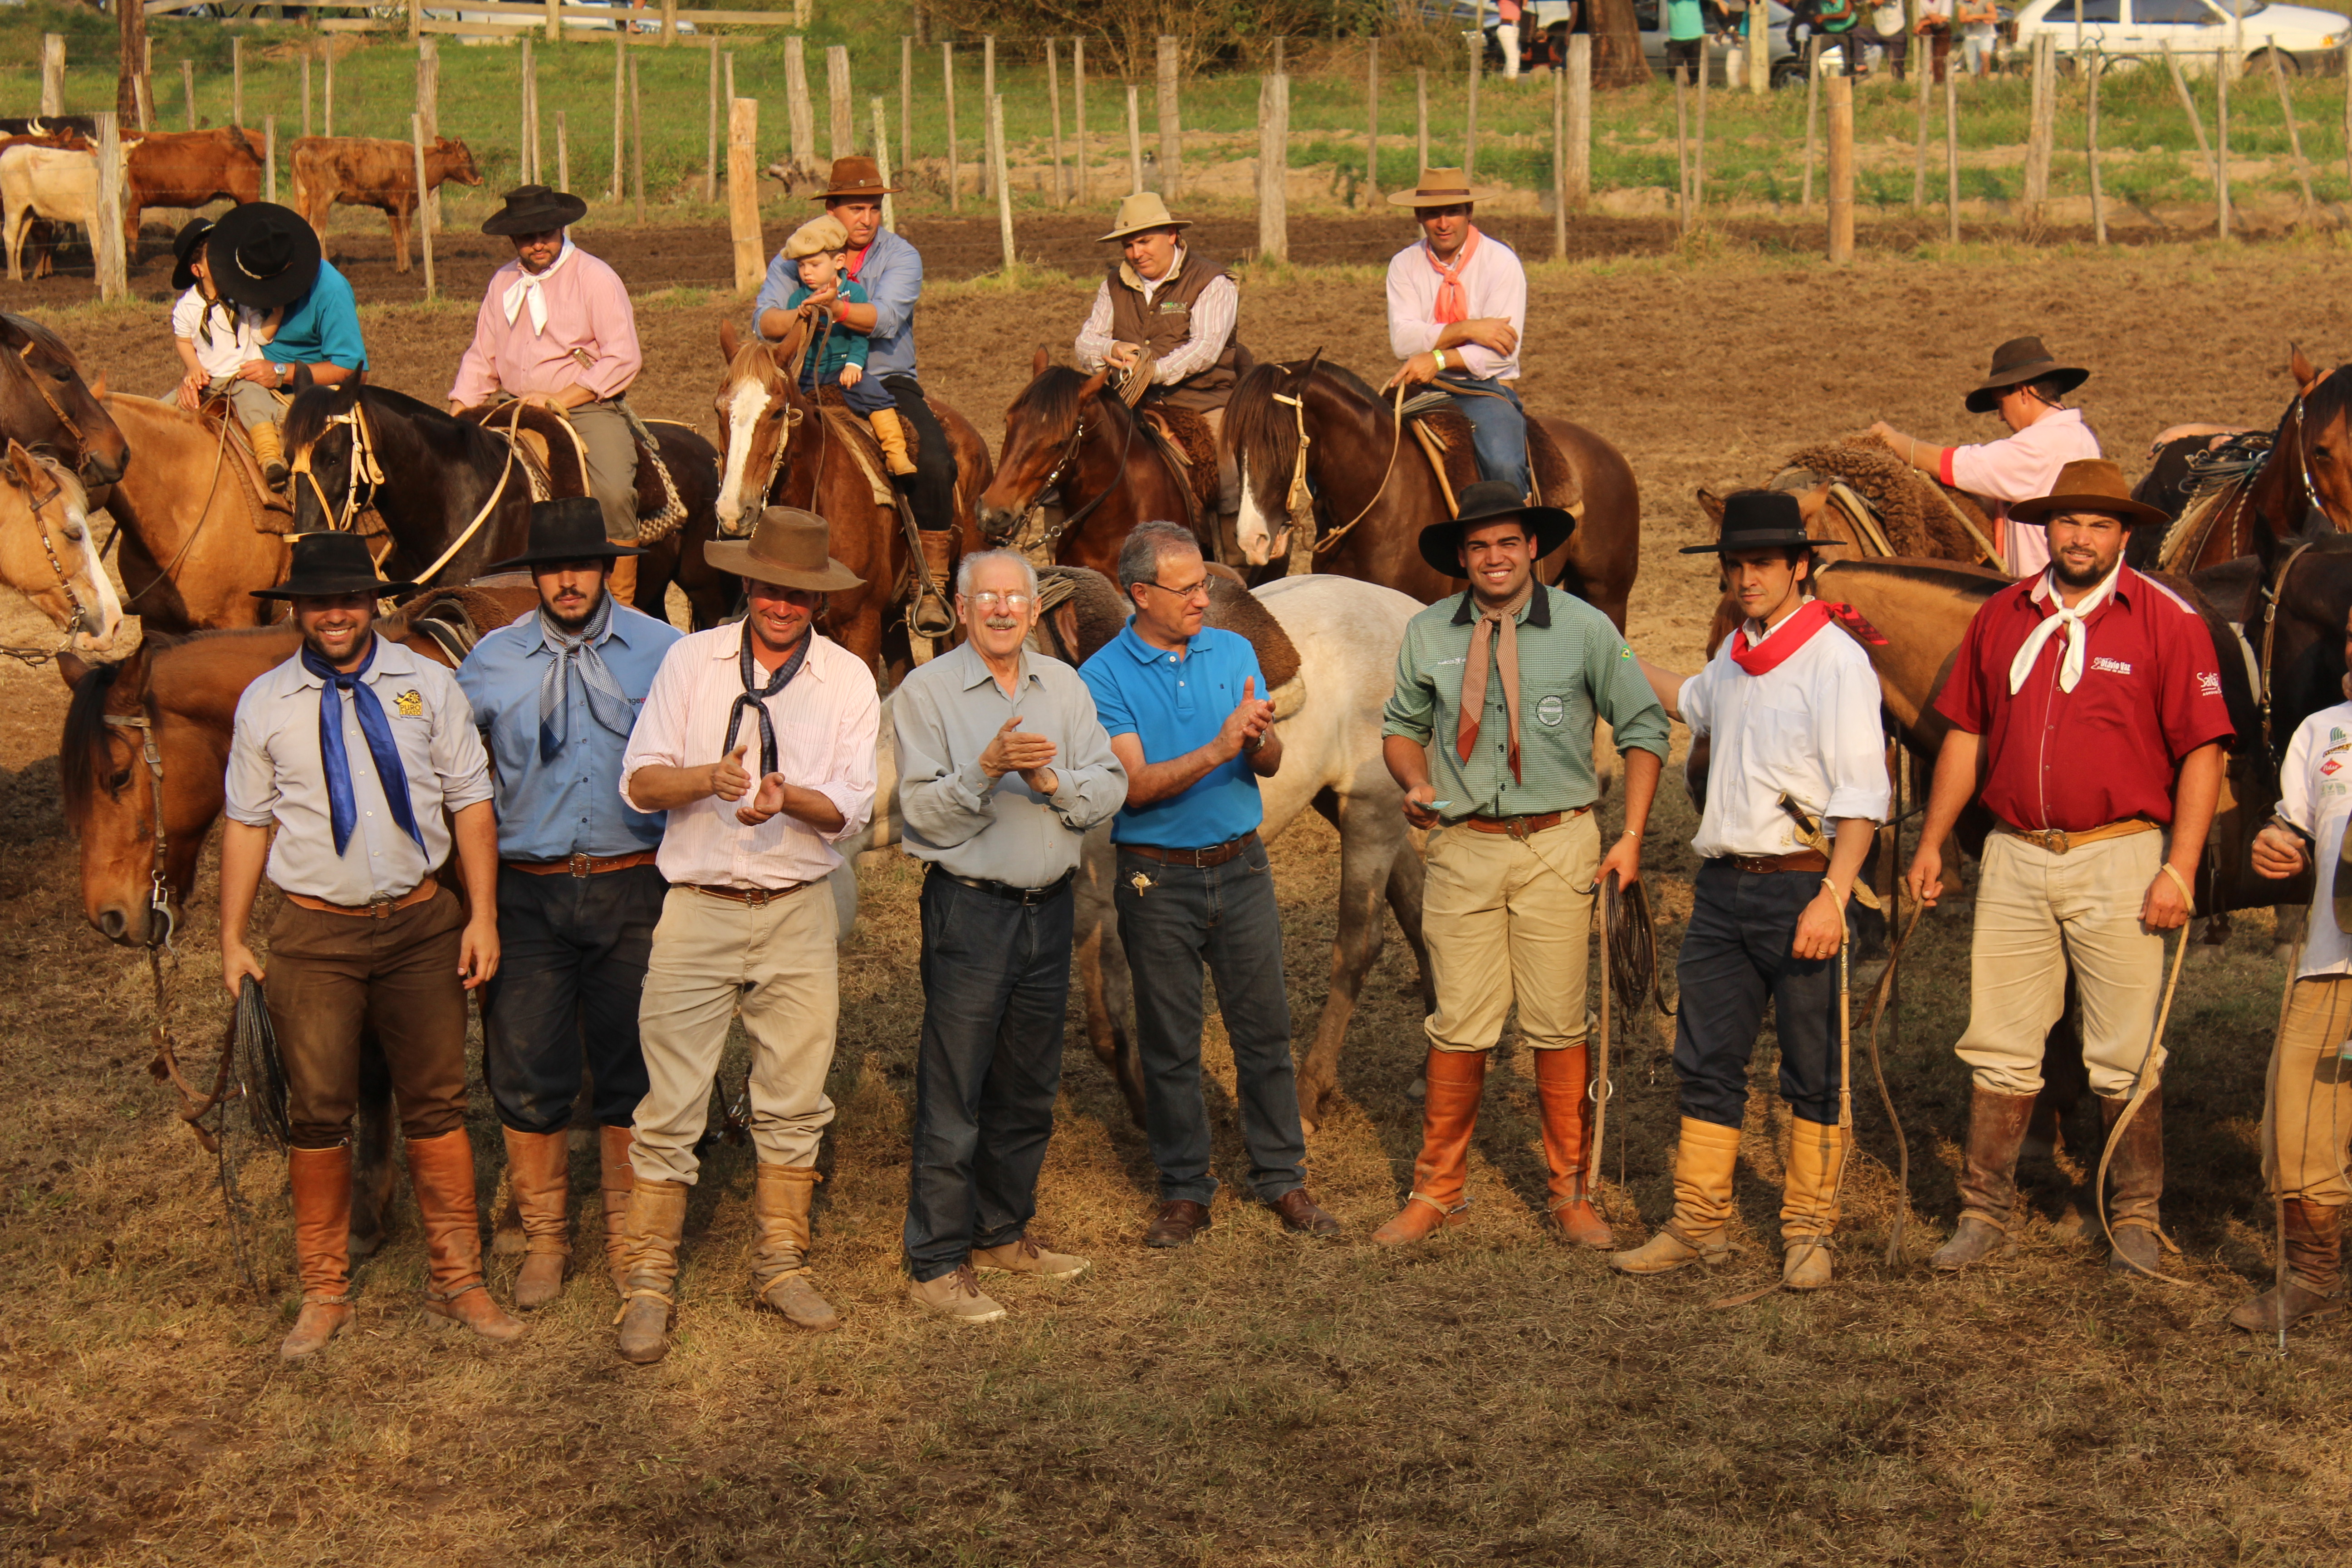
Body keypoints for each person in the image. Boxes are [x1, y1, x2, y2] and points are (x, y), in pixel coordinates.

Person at [1904, 459, 2233, 1278]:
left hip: (2117, 854)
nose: (2078, 538)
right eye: (2064, 523)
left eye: (2096, 524)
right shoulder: (2001, 616)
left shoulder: (2164, 620)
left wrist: (2179, 868)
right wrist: (1932, 839)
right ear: (2043, 530)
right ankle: (1984, 1212)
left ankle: (2132, 1219)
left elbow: (2202, 750)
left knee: (2123, 1051)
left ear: (2123, 534)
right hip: (2014, 852)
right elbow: (1965, 735)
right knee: (2000, 1043)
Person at [217, 531, 515, 1360]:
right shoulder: (265, 703)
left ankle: (457, 1281)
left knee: (437, 1101)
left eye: (349, 599)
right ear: (301, 612)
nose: (335, 614)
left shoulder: (428, 686)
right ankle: (324, 1292)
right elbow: (247, 824)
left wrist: (481, 915)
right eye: (319, 602)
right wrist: (232, 937)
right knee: (317, 1111)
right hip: (314, 934)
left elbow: (471, 804)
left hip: (422, 922)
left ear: (372, 605)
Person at [610, 506, 879, 1363]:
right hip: (695, 907)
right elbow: (640, 782)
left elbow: (850, 809)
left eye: (799, 595)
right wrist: (707, 778)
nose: (781, 605)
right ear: (747, 585)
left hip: (796, 910)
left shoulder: (846, 681)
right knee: (669, 1102)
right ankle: (648, 1283)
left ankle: (779, 1261)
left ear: (818, 602)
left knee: (795, 1096)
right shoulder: (691, 661)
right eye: (769, 588)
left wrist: (786, 794)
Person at [1373, 481, 1670, 1247]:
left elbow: (1642, 727)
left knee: (1556, 1022)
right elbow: (1402, 726)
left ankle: (1568, 1193)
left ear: (1533, 547)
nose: (1493, 557)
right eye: (1477, 547)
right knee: (1457, 1022)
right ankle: (1436, 1189)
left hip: (1557, 842)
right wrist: (1412, 779)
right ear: (1462, 558)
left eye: (1506, 543)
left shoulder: (1583, 628)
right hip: (1462, 845)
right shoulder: (1427, 632)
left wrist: (1630, 836)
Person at [1610, 491, 1887, 1287]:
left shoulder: (1836, 660)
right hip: (1722, 889)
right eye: (1734, 566)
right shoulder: (1734, 654)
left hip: (1801, 889)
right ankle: (1698, 1223)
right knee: (1706, 1057)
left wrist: (1833, 899)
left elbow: (1861, 797)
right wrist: (1609, 650)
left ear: (1800, 568)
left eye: (1760, 564)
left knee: (1811, 1062)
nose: (1744, 578)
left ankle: (1807, 1231)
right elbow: (1685, 699)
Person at [1078, 520, 1340, 1246]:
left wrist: (1259, 740)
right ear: (1140, 594)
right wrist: (1221, 743)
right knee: (1170, 1044)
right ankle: (1185, 1191)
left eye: (1203, 582)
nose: (1204, 597)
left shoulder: (1233, 649)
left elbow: (1271, 764)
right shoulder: (1103, 677)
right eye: (1187, 588)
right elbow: (1135, 788)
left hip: (1243, 866)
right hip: (1155, 882)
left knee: (1264, 1033)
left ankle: (1283, 1180)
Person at [452, 497, 681, 1311]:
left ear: (608, 569)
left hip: (633, 880)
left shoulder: (666, 652)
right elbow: (447, 767)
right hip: (530, 888)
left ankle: (628, 1238)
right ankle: (545, 1238)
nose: (569, 581)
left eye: (583, 565)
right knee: (527, 1063)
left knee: (633, 1062)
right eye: (553, 568)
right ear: (534, 577)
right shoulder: (488, 662)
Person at [891, 549, 1127, 1323]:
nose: (1000, 611)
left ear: (1033, 610)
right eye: (984, 598)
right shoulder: (924, 693)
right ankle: (933, 1261)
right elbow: (919, 816)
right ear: (960, 610)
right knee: (955, 1084)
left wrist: (1053, 785)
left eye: (1014, 599)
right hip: (969, 908)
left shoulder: (1062, 685)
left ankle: (1000, 1231)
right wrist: (984, 770)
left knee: (1028, 1082)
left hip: (1049, 905)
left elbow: (1108, 784)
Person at [754, 157, 957, 630]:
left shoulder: (901, 256)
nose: (866, 219)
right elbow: (764, 320)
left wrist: (836, 309)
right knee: (753, 450)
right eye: (855, 208)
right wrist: (805, 312)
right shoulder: (798, 253)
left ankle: (931, 583)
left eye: (874, 208)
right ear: (832, 209)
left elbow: (885, 319)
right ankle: (754, 574)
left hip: (882, 378)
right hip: (805, 382)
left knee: (934, 461)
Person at [449, 185, 649, 609]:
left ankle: (624, 602)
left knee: (612, 490)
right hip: (514, 406)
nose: (538, 243)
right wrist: (459, 415)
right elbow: (481, 356)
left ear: (562, 228)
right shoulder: (502, 282)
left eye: (546, 233)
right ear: (512, 240)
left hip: (585, 405)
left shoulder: (595, 277)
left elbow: (623, 356)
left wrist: (560, 398)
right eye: (527, 236)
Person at [2243, 606, 2352, 1331]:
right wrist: (2276, 844)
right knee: (2301, 1120)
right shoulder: (2323, 731)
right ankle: (2312, 1275)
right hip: (2332, 953)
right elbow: (2297, 826)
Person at [1869, 336, 2102, 580]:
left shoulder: (2042, 444)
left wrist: (1895, 440)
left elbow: (1959, 465)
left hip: (2044, 585)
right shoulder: (2079, 435)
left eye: (2001, 404)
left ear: (2024, 393)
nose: (2001, 416)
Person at [1073, 191, 1243, 513]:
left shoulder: (1212, 282)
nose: (1136, 254)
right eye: (1128, 246)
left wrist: (1153, 371)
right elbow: (1085, 342)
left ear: (1172, 235)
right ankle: (1063, 547)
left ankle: (1234, 558)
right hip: (1126, 404)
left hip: (1201, 402)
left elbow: (1205, 348)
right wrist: (1113, 347)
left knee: (1226, 473)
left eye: (1145, 242)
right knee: (1064, 459)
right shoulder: (1113, 284)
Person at [1382, 169, 1530, 499]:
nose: (1443, 223)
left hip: (1485, 389)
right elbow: (1403, 340)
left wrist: (1438, 357)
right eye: (1433, 214)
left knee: (1504, 464)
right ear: (1419, 216)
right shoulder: (1404, 265)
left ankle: (1519, 541)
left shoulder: (1501, 263)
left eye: (1452, 212)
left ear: (1469, 213)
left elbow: (1500, 354)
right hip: (1421, 386)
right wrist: (1468, 328)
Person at [204, 201, 368, 491]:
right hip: (235, 382)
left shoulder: (330, 290)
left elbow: (351, 369)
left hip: (300, 396)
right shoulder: (239, 268)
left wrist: (281, 372)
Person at [772, 211, 916, 477]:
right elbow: (794, 343)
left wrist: (854, 364)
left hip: (843, 369)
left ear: (838, 261)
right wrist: (799, 319)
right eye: (802, 266)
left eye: (814, 265)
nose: (806, 273)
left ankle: (897, 454)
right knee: (779, 407)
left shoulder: (855, 293)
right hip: (808, 373)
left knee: (876, 396)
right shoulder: (797, 300)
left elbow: (859, 336)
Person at [166, 216, 280, 479]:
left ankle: (269, 457)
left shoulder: (242, 296)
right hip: (209, 380)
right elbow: (184, 341)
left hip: (244, 375)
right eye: (214, 257)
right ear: (198, 271)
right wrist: (193, 368)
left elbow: (260, 336)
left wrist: (277, 313)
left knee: (255, 403)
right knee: (163, 409)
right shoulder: (186, 307)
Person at [1957, 0, 1999, 76]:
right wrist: (1984, 18)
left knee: (1985, 56)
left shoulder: (1986, 1)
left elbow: (1994, 16)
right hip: (1970, 36)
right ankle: (1975, 85)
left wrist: (1973, 17)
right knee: (1972, 65)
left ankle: (1985, 81)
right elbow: (1962, 19)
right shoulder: (1964, 3)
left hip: (1986, 35)